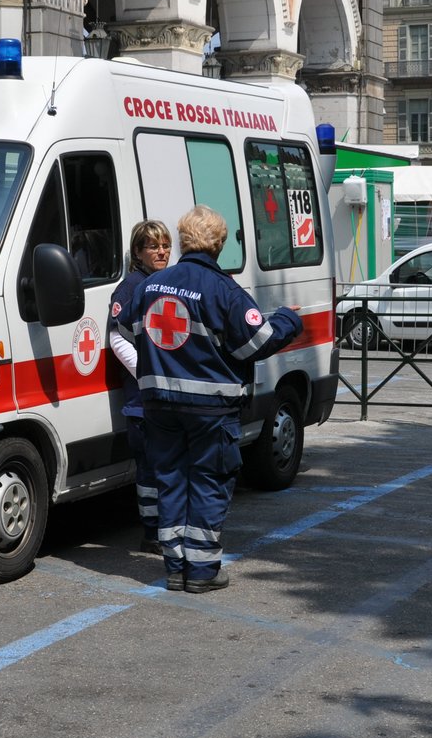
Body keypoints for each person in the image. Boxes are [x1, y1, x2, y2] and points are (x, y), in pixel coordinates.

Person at [115, 205, 302, 593]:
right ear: (218, 244)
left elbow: (128, 327)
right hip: (209, 409)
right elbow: (259, 342)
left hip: (159, 405)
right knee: (208, 481)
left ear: (183, 242)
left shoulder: (151, 285)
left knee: (168, 481)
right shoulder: (224, 290)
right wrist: (288, 318)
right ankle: (201, 571)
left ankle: (173, 567)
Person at [107, 219, 173, 554]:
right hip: (143, 399)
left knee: (168, 467)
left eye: (165, 245)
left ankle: (168, 527)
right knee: (150, 470)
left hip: (168, 394)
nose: (161, 251)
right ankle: (151, 533)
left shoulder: (170, 281)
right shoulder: (131, 286)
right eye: (153, 246)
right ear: (137, 252)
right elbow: (116, 337)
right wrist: (146, 374)